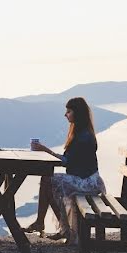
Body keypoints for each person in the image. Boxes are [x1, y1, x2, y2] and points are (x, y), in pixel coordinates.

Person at [25, 97, 106, 245]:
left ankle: (46, 224)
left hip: (87, 182)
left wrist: (44, 150)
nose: (65, 114)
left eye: (68, 111)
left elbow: (66, 161)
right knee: (48, 181)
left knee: (48, 181)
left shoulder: (84, 137)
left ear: (77, 113)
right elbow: (69, 160)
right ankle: (59, 228)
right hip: (84, 178)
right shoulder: (81, 132)